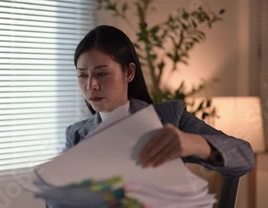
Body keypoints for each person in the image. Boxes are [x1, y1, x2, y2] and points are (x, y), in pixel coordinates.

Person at [64, 25, 255, 177]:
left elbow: (245, 156)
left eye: (102, 73)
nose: (91, 85)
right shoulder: (77, 134)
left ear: (129, 72)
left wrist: (193, 143)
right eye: (82, 75)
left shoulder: (170, 117)